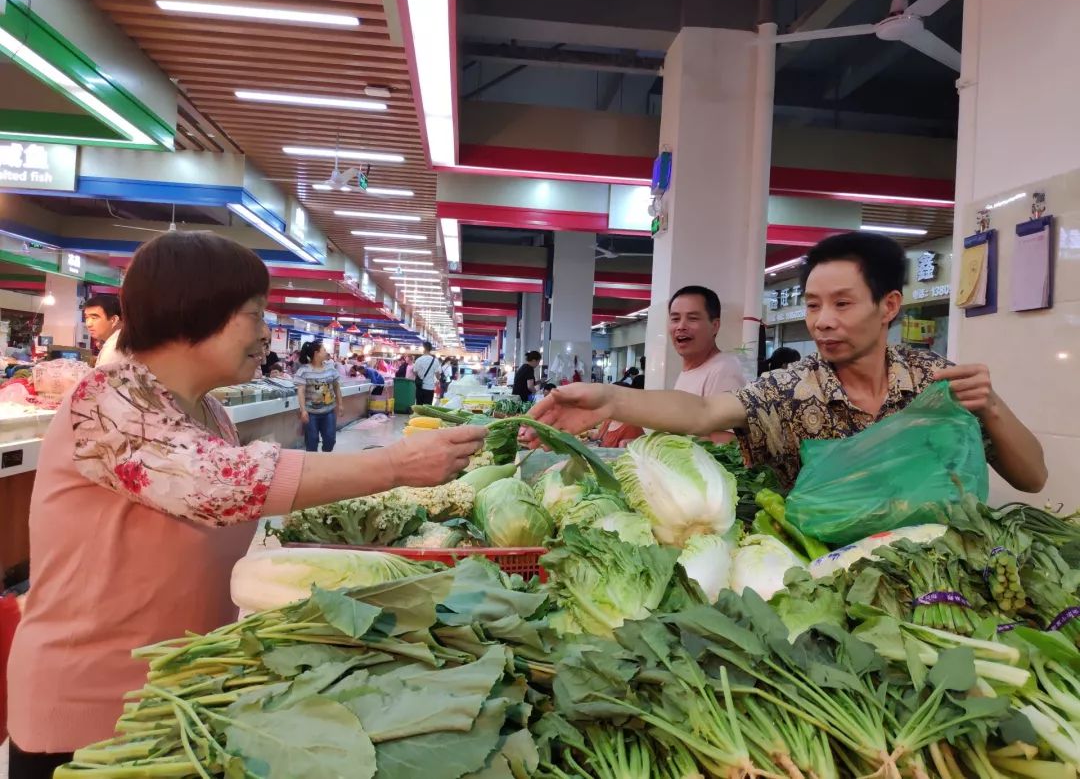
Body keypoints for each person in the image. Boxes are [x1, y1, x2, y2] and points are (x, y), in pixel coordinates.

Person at [6, 231, 487, 778]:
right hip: (89, 712)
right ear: (196, 310)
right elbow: (223, 484)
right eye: (255, 315)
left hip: (179, 699)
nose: (265, 334)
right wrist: (397, 466)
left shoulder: (210, 412)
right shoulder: (107, 400)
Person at [526, 231, 1047, 494]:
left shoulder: (935, 383)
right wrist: (610, 399)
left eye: (842, 304)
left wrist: (993, 409)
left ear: (888, 305)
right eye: (814, 305)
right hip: (821, 581)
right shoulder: (792, 389)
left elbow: (1033, 479)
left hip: (940, 581)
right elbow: (704, 414)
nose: (822, 321)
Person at [669, 285, 746, 397]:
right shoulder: (691, 370)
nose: (681, 326)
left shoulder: (724, 371)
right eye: (675, 319)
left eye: (692, 318)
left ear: (714, 326)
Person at [294, 341, 343, 452]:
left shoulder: (331, 368)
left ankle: (324, 459)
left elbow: (336, 387)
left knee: (330, 439)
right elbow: (300, 391)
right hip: (311, 413)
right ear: (316, 353)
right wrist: (303, 411)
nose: (326, 352)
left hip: (329, 412)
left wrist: (340, 404)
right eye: (324, 350)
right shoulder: (304, 371)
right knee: (312, 441)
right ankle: (313, 464)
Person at [82, 294, 123, 368]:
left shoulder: (113, 349)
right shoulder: (116, 341)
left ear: (114, 320)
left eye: (94, 318)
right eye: (87, 317)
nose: (88, 324)